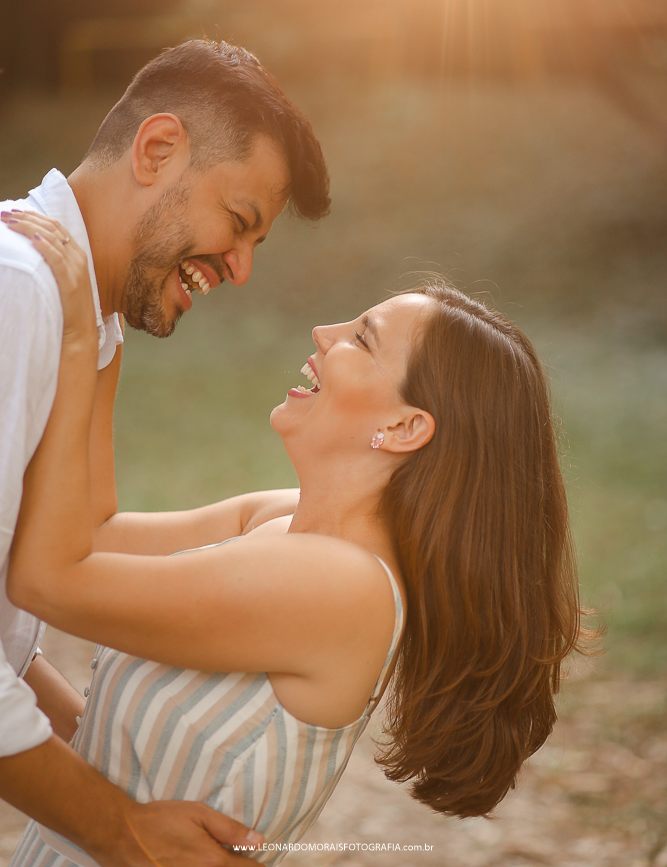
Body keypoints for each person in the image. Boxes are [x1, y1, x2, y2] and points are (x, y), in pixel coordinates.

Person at [4, 212, 588, 866]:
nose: (324, 332)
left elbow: (47, 578)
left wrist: (79, 338)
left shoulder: (340, 586)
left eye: (362, 340)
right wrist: (107, 318)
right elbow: (91, 533)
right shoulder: (281, 520)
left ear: (402, 428)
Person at [0, 39, 330, 867]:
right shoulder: (18, 293)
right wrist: (121, 826)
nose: (241, 267)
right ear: (156, 150)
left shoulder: (84, 317)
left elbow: (36, 564)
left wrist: (103, 755)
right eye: (239, 221)